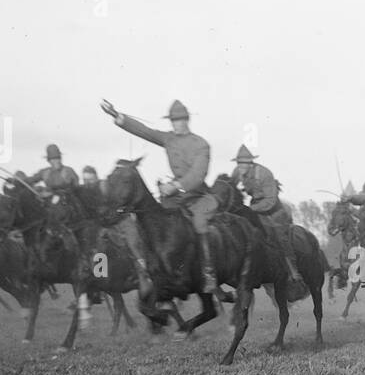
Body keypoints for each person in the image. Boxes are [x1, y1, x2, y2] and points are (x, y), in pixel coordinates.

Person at [100, 98, 220, 294]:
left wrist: (176, 186)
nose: (177, 124)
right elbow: (144, 131)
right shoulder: (169, 138)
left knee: (199, 223)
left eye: (180, 120)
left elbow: (199, 174)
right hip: (174, 197)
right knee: (154, 220)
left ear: (187, 120)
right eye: (174, 120)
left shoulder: (201, 144)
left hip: (198, 195)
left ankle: (208, 273)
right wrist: (117, 115)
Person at [231, 143, 305, 292]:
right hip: (255, 208)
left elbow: (270, 200)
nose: (242, 167)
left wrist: (251, 209)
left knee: (279, 238)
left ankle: (293, 272)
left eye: (245, 163)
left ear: (251, 163)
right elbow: (231, 187)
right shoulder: (237, 172)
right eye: (239, 163)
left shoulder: (265, 174)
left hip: (274, 213)